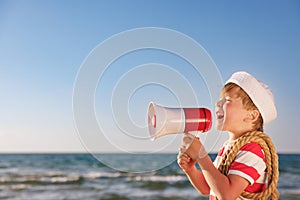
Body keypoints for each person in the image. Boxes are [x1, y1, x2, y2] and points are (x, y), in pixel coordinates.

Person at [177, 71, 278, 200]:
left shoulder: (253, 149)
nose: (218, 104)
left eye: (228, 100)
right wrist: (190, 169)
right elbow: (208, 188)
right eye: (220, 100)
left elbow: (227, 195)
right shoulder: (229, 147)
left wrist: (201, 155)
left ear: (251, 115)